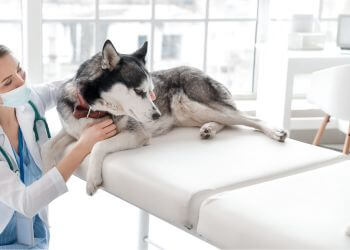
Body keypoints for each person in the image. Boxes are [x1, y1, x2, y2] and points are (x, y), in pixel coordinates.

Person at [0, 45, 117, 249]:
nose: (21, 81)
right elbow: (26, 202)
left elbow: (63, 87)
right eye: (7, 82)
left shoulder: (29, 102)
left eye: (19, 70)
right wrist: (83, 145)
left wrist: (107, 74)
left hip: (36, 234)